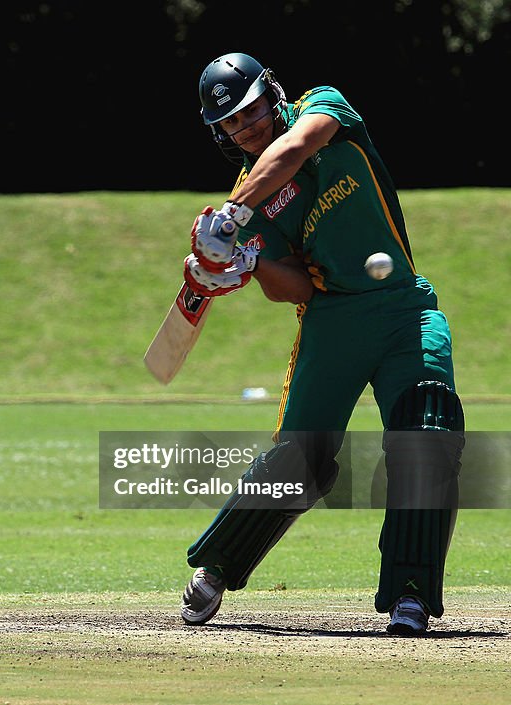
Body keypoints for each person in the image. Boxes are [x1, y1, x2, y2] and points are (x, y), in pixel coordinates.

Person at [177, 53, 463, 635]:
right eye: (230, 123)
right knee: (300, 457)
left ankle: (410, 591)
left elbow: (297, 147)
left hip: (405, 309)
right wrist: (245, 264)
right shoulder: (250, 202)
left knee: (427, 431)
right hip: (332, 319)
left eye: (250, 109)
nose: (246, 127)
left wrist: (233, 216)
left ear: (271, 90)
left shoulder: (322, 107)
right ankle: (219, 568)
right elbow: (295, 287)